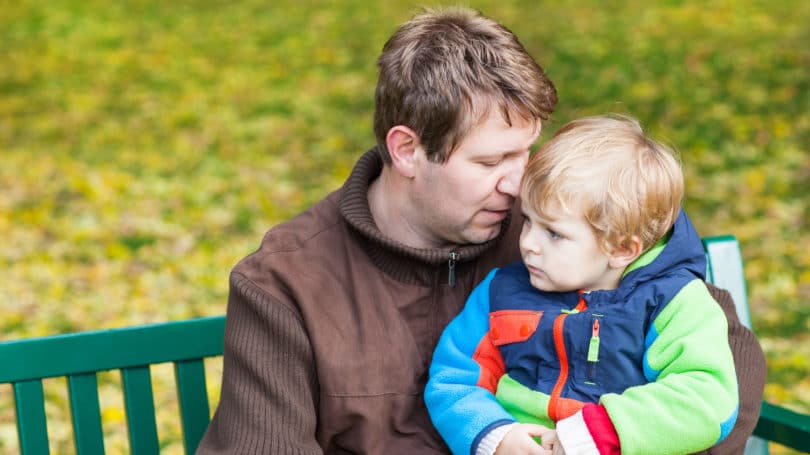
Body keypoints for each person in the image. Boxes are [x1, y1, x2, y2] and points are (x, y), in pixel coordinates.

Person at [196, 7, 765, 455]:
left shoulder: (562, 229)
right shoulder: (286, 284)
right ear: (407, 150)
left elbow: (726, 365)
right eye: (492, 163)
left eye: (527, 153)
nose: (518, 185)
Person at [425, 115, 739, 455]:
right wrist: (495, 435)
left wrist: (600, 433)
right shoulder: (501, 292)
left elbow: (708, 398)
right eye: (528, 220)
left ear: (621, 249)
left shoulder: (672, 302)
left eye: (554, 233)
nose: (528, 242)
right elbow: (454, 378)